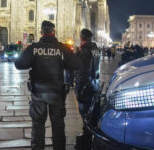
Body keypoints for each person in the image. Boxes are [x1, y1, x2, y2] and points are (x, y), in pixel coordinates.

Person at [14, 21, 79, 150]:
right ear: (54, 32)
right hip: (57, 93)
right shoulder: (62, 48)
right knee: (58, 125)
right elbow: (76, 65)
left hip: (38, 93)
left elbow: (19, 64)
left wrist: (30, 56)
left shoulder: (34, 48)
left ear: (41, 33)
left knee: (38, 125)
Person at [74, 29, 101, 150]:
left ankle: (86, 144)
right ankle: (90, 141)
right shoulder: (96, 49)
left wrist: (79, 88)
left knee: (86, 116)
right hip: (95, 85)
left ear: (82, 37)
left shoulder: (84, 51)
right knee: (92, 115)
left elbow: (83, 72)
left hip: (86, 87)